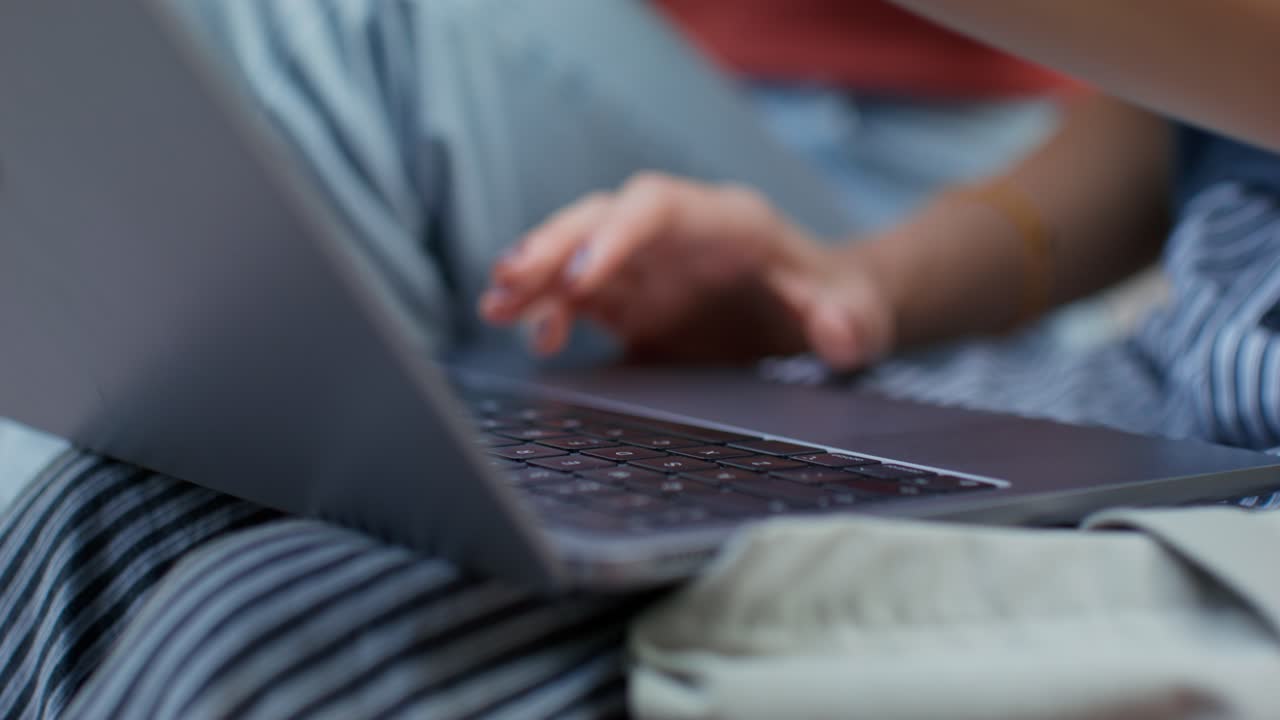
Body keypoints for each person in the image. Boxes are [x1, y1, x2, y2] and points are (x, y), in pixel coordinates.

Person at [4, 2, 1280, 719]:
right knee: (121, 514)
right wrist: (870, 288)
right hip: (1147, 385)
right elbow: (1186, 127)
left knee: (269, 645)